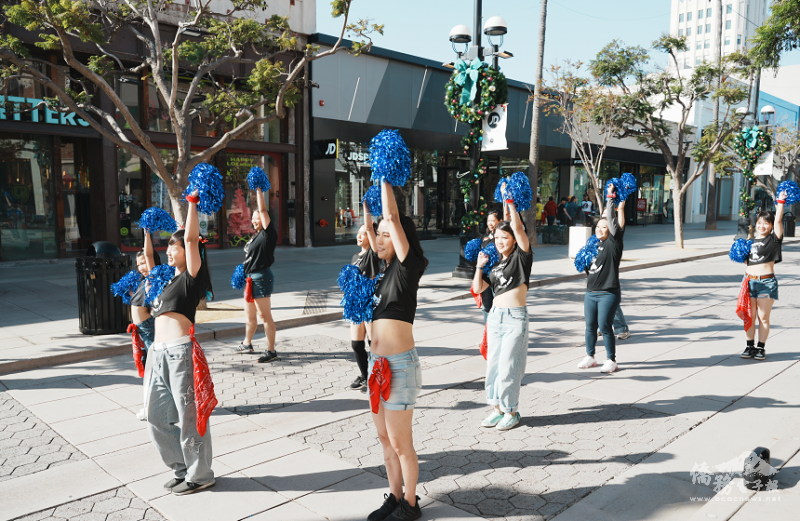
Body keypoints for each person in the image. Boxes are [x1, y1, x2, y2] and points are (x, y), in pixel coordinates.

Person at [367, 180, 428, 521]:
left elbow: (391, 214)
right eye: (378, 233)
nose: (379, 238)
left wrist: (383, 176)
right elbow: (376, 223)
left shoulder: (408, 267)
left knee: (401, 441)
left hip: (399, 366)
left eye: (386, 233)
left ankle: (411, 503)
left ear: (401, 236)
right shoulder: (383, 273)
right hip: (377, 366)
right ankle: (394, 494)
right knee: (383, 438)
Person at [148, 191, 216, 495]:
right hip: (157, 354)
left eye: (172, 246)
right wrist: (146, 232)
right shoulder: (167, 281)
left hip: (179, 353)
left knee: (190, 417)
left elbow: (191, 239)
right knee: (156, 417)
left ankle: (200, 474)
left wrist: (191, 204)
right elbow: (148, 258)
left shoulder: (191, 278)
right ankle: (181, 467)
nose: (168, 251)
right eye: (168, 247)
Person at [472, 189, 532, 432]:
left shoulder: (522, 257)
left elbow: (518, 228)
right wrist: (479, 266)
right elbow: (478, 288)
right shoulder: (495, 265)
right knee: (493, 366)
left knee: (509, 366)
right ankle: (497, 408)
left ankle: (512, 410)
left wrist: (509, 202)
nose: (500, 240)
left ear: (515, 240)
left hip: (515, 318)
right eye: (497, 237)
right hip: (495, 317)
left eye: (504, 237)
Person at [578, 184, 626, 373]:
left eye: (604, 227)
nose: (600, 229)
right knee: (590, 326)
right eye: (598, 226)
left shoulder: (614, 244)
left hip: (608, 293)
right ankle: (590, 356)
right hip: (591, 292)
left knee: (605, 326)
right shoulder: (593, 245)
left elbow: (614, 222)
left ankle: (611, 360)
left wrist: (610, 199)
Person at [234, 187, 279, 363]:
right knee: (250, 315)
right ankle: (247, 344)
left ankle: (271, 351)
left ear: (264, 218)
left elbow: (262, 209)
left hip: (261, 278)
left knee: (265, 316)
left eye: (256, 217)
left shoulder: (268, 234)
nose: (253, 220)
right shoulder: (256, 236)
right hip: (250, 278)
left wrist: (259, 190)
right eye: (251, 218)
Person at [740, 192, 786, 361]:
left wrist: (781, 201)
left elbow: (779, 220)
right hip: (749, 282)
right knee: (749, 316)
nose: (762, 226)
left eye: (766, 223)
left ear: (771, 225)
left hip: (767, 282)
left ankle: (761, 348)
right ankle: (749, 346)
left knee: (763, 317)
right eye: (759, 223)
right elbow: (746, 263)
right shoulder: (749, 242)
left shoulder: (774, 240)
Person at [348, 216, 381, 391]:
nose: (359, 236)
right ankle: (365, 375)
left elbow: (370, 228)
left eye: (364, 234)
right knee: (356, 344)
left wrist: (366, 209)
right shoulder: (355, 256)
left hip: (369, 304)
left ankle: (378, 376)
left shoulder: (373, 255)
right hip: (355, 305)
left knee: (373, 343)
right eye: (358, 234)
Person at [132, 232, 157, 421]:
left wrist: (147, 232)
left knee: (154, 372)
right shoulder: (142, 282)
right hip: (142, 332)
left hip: (150, 331)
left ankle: (151, 408)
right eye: (139, 264)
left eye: (145, 263)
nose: (142, 267)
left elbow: (149, 255)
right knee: (153, 371)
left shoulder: (154, 279)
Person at [480, 209, 501, 321]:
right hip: (485, 276)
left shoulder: (503, 236)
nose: (490, 223)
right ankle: (487, 333)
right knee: (486, 306)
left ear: (500, 220)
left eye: (493, 220)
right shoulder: (487, 236)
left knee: (499, 305)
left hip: (497, 276)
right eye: (488, 220)